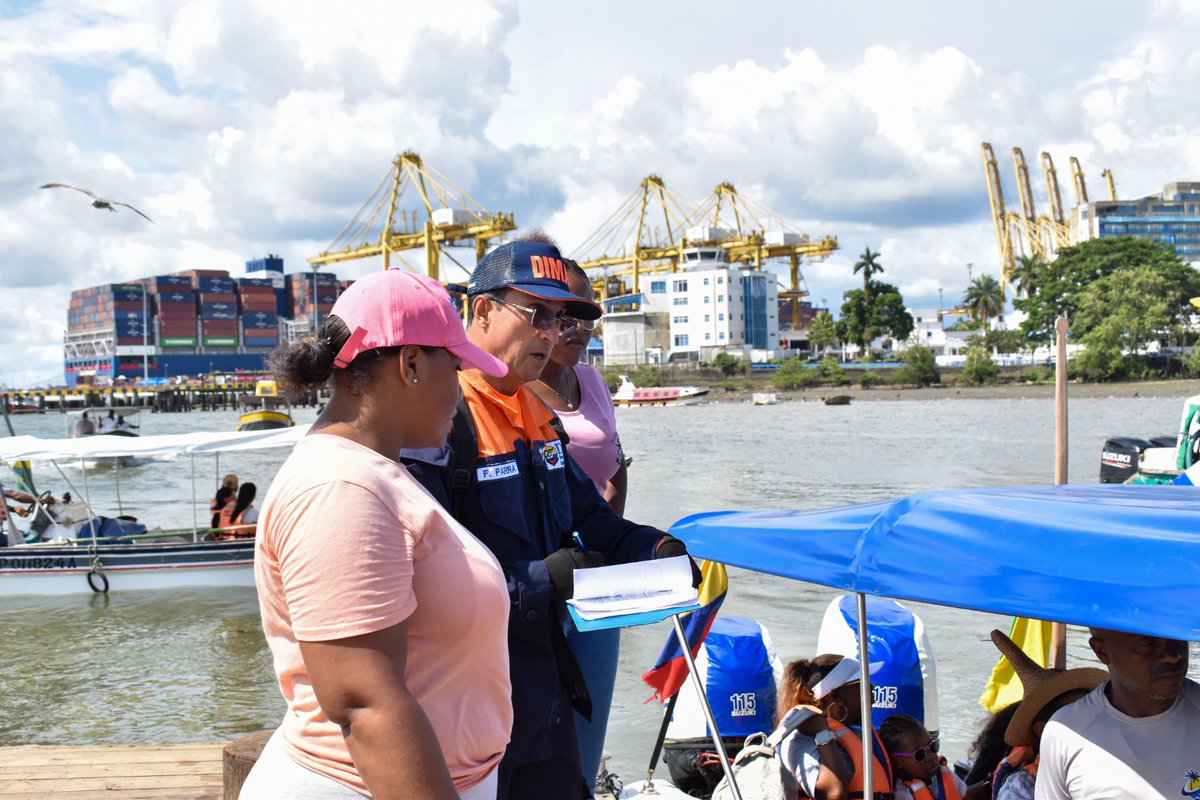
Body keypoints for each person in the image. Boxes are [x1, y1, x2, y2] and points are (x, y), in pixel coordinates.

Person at [403, 239, 701, 800]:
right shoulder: (441, 424)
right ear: (482, 311)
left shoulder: (537, 414)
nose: (550, 332)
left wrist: (655, 548)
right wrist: (548, 579)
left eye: (560, 318)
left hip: (545, 693)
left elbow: (591, 516)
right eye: (536, 314)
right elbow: (425, 587)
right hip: (466, 705)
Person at [239, 269, 513, 800]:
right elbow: (365, 705)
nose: (460, 393)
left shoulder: (374, 472)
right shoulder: (340, 488)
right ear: (410, 364)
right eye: (454, 368)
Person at [527, 258, 626, 787]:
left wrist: (617, 539)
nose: (577, 330)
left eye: (587, 318)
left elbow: (615, 464)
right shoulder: (509, 389)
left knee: (588, 739)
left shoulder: (591, 380)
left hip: (596, 582)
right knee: (527, 739)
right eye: (564, 317)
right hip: (536, 582)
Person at [1035, 627, 1200, 799]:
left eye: (1178, 636)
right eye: (1148, 642)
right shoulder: (1066, 733)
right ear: (1101, 650)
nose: (1173, 655)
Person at [982, 629, 1105, 800]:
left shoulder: (1108, 765)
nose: (1089, 720)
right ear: (1042, 730)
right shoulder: (1021, 788)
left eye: (1089, 709)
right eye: (1074, 713)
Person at [776, 654, 895, 800]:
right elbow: (832, 793)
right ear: (837, 695)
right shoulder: (799, 737)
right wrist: (822, 731)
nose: (872, 688)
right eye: (861, 683)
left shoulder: (859, 733)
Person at [879, 713, 976, 800]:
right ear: (897, 761)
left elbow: (966, 796)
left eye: (933, 746)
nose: (931, 756)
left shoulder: (942, 773)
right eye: (920, 754)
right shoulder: (902, 794)